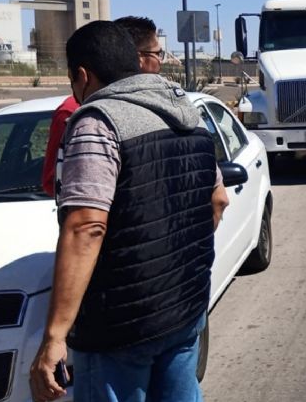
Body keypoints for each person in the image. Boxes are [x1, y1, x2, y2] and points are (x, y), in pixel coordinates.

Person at [29, 20, 229, 402]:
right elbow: (217, 199)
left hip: (119, 327)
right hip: (185, 308)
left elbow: (86, 227)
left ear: (82, 76)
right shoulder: (184, 110)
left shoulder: (98, 121)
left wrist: (54, 336)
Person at [41, 16, 163, 196]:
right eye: (157, 54)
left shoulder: (167, 108)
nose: (161, 61)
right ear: (137, 58)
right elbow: (55, 181)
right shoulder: (75, 114)